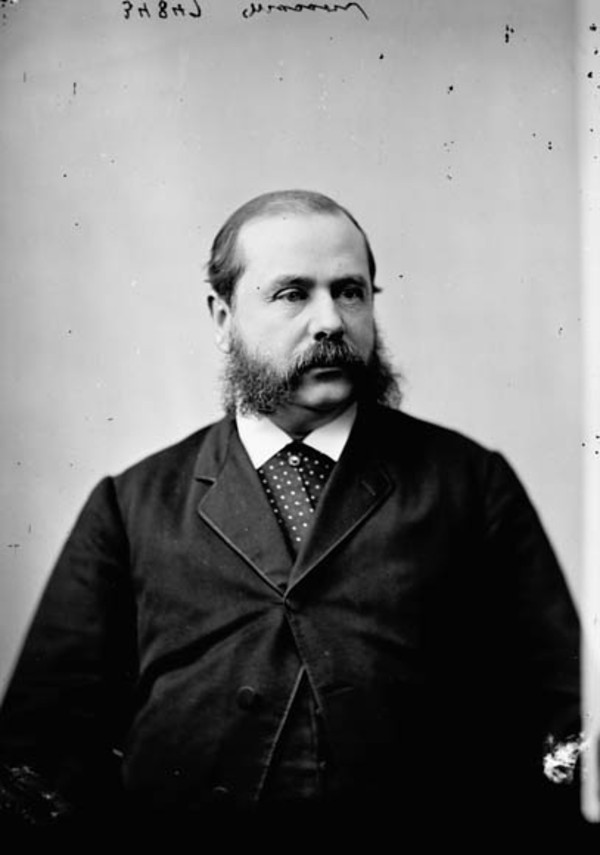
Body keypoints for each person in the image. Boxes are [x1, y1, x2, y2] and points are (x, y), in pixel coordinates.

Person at [0, 190, 583, 839]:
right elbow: (40, 756)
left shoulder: (470, 483)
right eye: (292, 294)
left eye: (350, 292)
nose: (330, 321)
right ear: (223, 316)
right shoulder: (131, 505)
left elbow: (567, 718)